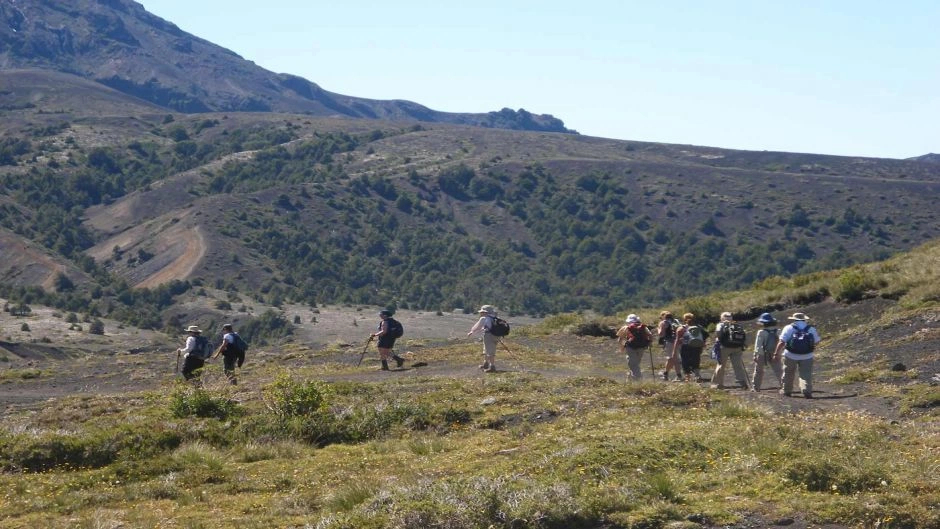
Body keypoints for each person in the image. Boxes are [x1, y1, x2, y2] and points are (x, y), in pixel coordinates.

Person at [774, 312, 822, 398]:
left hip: (790, 355)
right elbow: (817, 341)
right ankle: (806, 390)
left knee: (788, 373)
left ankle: (787, 391)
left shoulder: (788, 328)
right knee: (805, 374)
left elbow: (782, 342)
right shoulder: (811, 329)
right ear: (804, 319)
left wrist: (776, 353)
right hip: (807, 355)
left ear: (794, 319)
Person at [710, 311, 749, 389]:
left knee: (721, 365)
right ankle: (742, 382)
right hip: (737, 347)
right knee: (738, 365)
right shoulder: (737, 325)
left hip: (724, 347)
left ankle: (717, 383)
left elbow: (718, 334)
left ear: (721, 318)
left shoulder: (720, 324)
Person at [672, 313, 709, 381]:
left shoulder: (681, 328)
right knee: (696, 360)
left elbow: (677, 340)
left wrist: (674, 350)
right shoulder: (699, 327)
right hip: (696, 346)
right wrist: (702, 345)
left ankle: (688, 376)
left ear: (684, 319)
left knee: (685, 361)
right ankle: (697, 375)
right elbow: (705, 336)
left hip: (685, 347)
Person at [751, 313, 782, 392]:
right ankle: (785, 386)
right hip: (775, 352)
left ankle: (756, 387)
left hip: (762, 353)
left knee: (759, 370)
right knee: (779, 370)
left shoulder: (761, 332)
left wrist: (755, 355)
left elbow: (758, 345)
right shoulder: (778, 331)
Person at [617, 314, 653, 381]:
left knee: (633, 365)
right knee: (635, 364)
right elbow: (650, 335)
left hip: (630, 348)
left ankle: (638, 381)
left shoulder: (626, 327)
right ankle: (629, 381)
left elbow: (620, 339)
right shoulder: (643, 327)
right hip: (641, 348)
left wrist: (622, 348)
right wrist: (650, 343)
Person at [467, 305, 499, 373]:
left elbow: (477, 326)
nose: (481, 313)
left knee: (489, 351)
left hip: (488, 336)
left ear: (485, 312)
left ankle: (492, 367)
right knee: (488, 350)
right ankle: (485, 364)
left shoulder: (484, 318)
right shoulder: (495, 318)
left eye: (482, 312)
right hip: (496, 336)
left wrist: (471, 332)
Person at [657, 311, 682, 381]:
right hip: (678, 341)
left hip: (670, 342)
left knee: (674, 359)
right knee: (672, 358)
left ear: (663, 316)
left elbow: (661, 334)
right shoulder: (676, 321)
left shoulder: (664, 323)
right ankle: (665, 374)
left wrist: (658, 329)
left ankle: (679, 376)